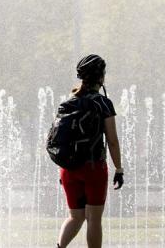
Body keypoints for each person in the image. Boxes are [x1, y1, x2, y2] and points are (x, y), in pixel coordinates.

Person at [56, 54, 124, 248]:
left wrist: (64, 166)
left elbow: (61, 139)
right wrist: (119, 169)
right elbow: (112, 141)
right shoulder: (103, 103)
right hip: (94, 168)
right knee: (93, 219)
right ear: (101, 77)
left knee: (75, 217)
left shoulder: (68, 103)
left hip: (69, 168)